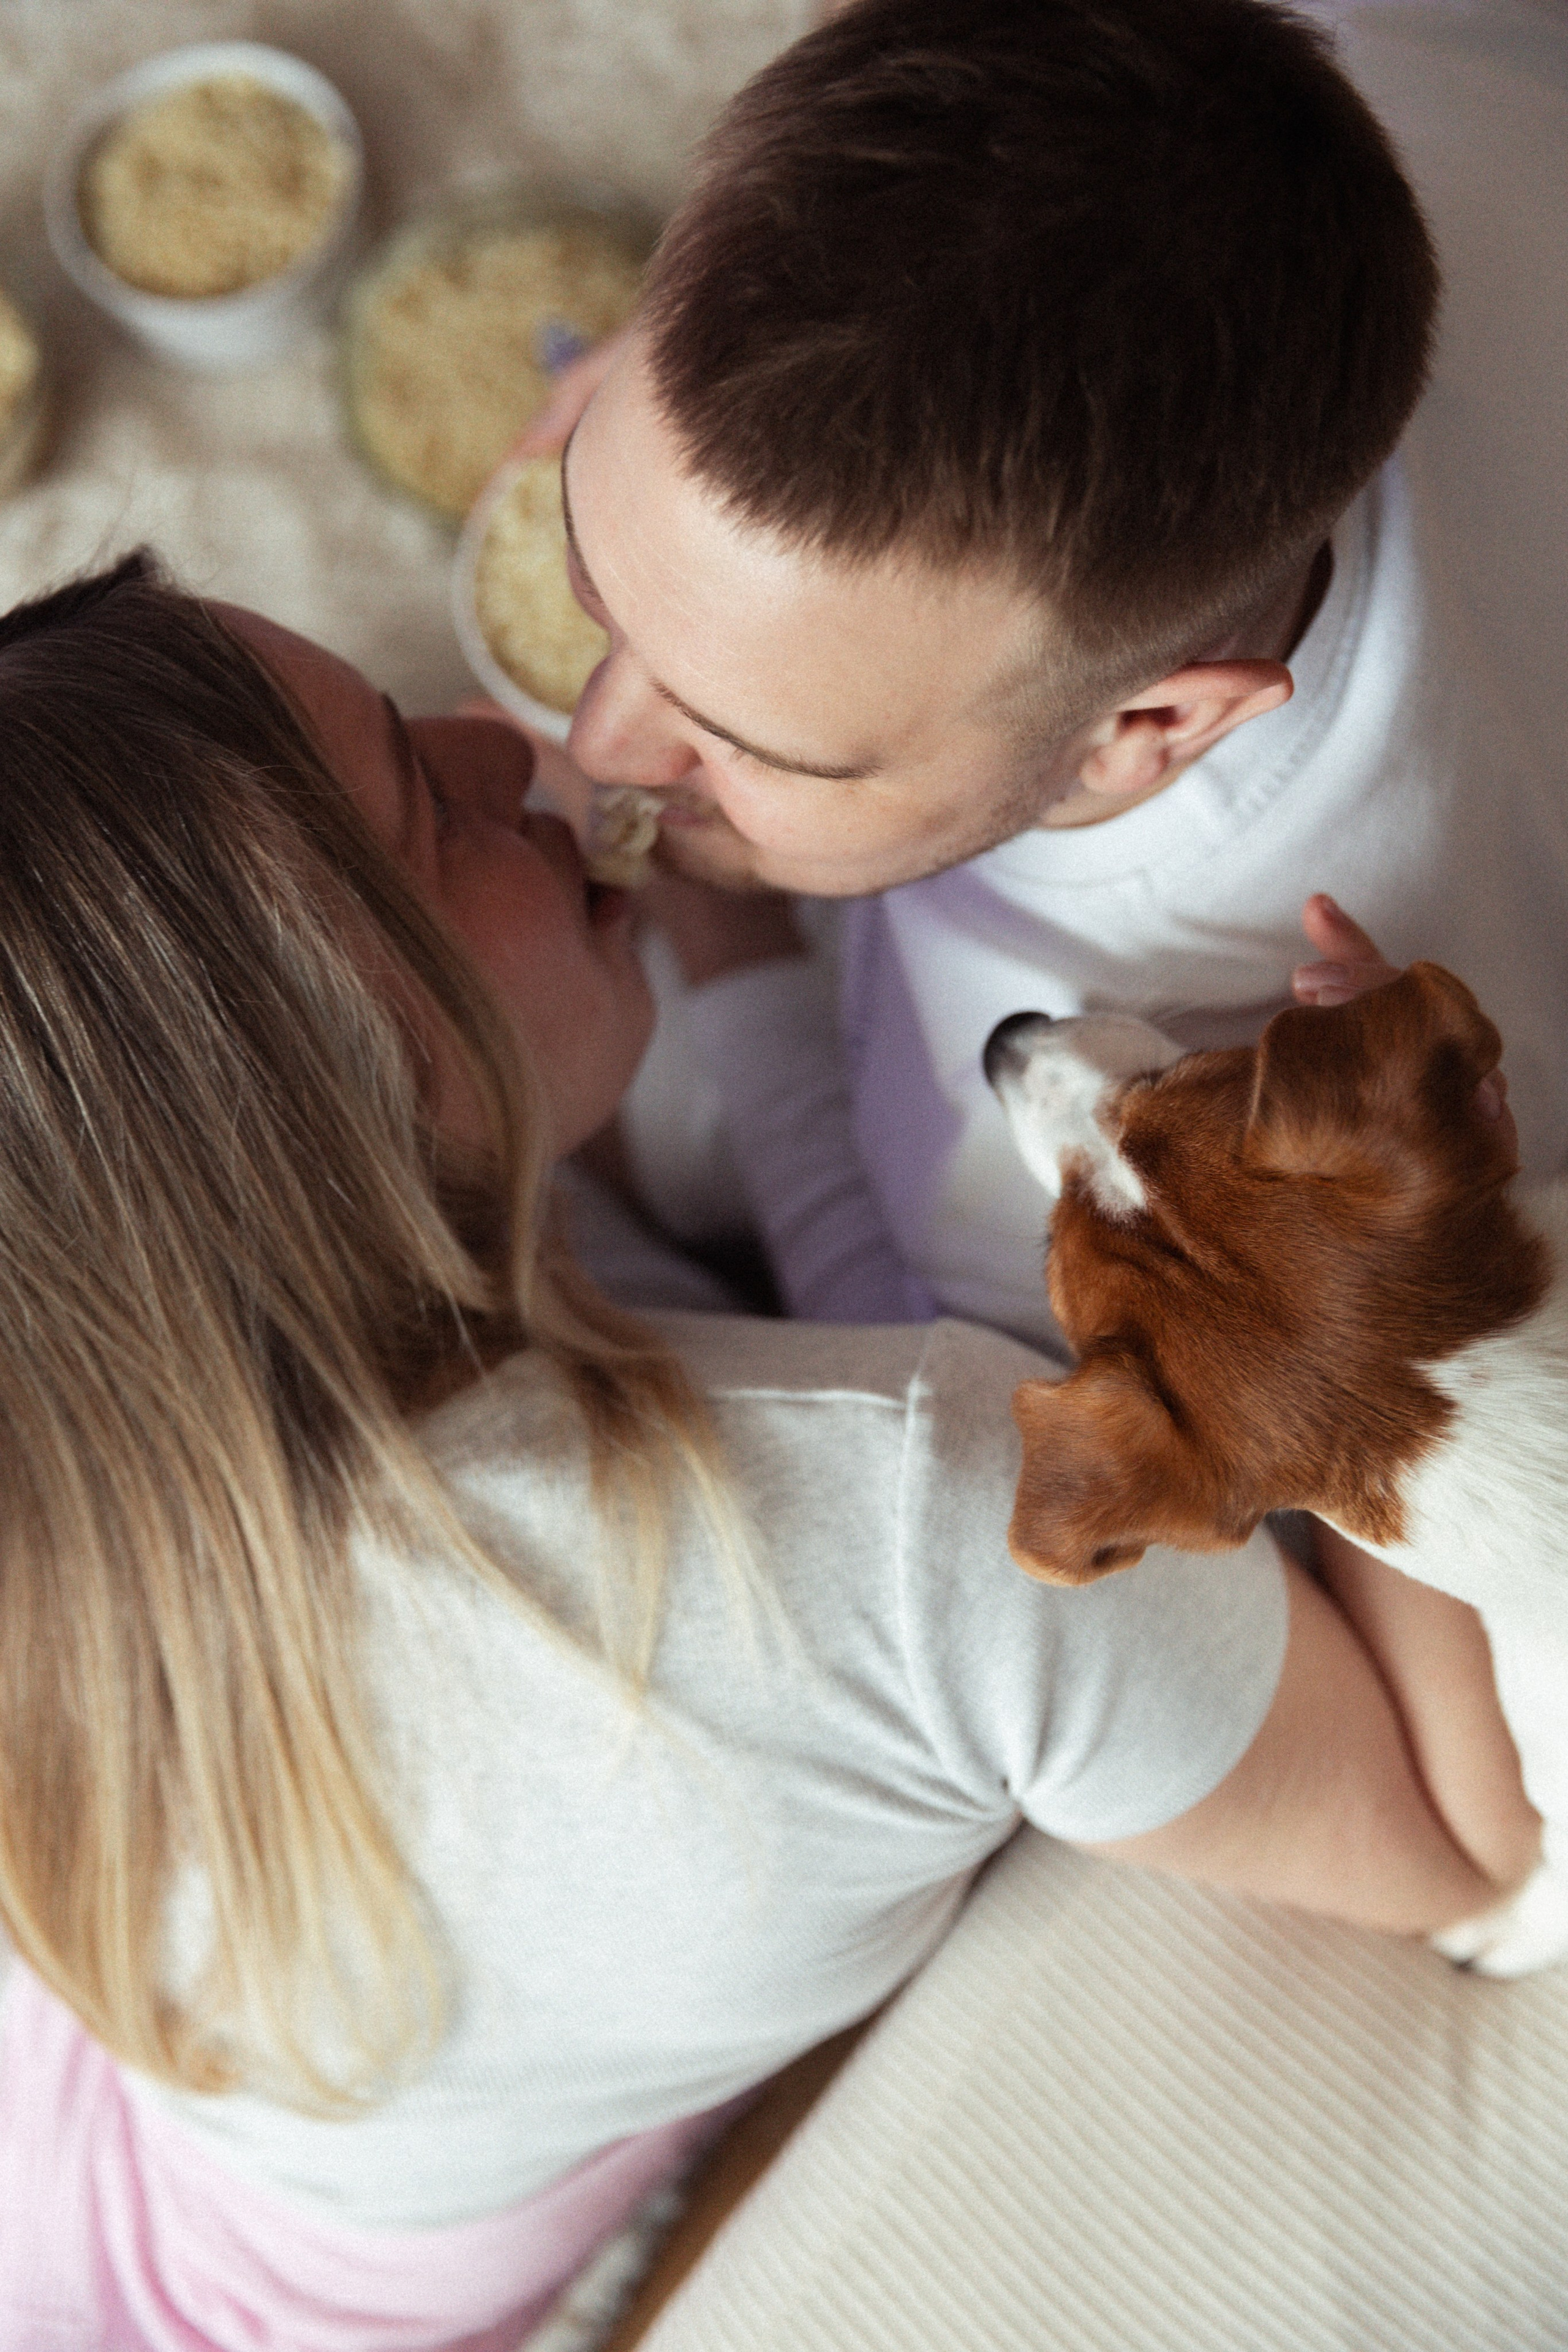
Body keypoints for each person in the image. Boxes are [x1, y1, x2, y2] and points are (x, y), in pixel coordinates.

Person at [0, 555, 1510, 2352]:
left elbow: (801, 1401)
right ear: (329, 1118)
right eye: (430, 808)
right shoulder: (924, 1526)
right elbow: (1452, 1837)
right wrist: (1395, 1262)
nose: (504, 740)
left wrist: (726, 971)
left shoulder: (95, 1442)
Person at [519, 0, 1568, 1344]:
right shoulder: (1432, 56)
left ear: (1146, 726)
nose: (599, 743)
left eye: (756, 747)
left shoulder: (1076, 1132)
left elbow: (901, 1350)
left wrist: (736, 950)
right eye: (593, 568)